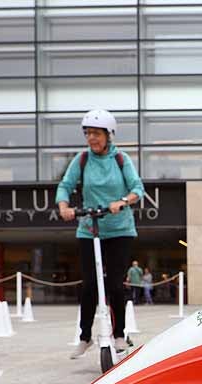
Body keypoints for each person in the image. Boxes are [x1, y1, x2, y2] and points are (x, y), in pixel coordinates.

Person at [57, 109, 144, 359]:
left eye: (96, 133)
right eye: (88, 133)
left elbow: (137, 188)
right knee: (89, 286)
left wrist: (123, 201)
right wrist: (64, 206)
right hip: (90, 229)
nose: (91, 138)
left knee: (115, 284)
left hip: (120, 230)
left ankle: (118, 334)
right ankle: (85, 337)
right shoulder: (82, 160)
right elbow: (65, 185)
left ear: (109, 135)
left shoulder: (121, 160)